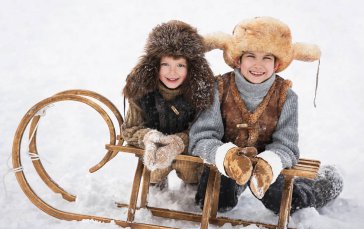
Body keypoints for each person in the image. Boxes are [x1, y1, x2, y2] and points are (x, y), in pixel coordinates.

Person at [189, 17, 343, 213]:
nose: (258, 65)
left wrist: (268, 165)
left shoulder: (285, 96)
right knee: (214, 202)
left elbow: (286, 145)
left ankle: (325, 182)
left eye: (267, 58)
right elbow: (201, 137)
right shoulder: (218, 89)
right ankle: (235, 184)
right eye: (251, 56)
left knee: (283, 203)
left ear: (276, 64)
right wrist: (227, 158)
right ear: (238, 59)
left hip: (266, 161)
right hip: (226, 163)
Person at [122, 20, 215, 188]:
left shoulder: (200, 90)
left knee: (190, 170)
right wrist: (149, 138)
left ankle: (191, 188)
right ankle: (156, 187)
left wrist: (179, 141)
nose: (172, 72)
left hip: (190, 153)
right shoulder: (141, 87)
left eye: (180, 65)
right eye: (165, 64)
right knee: (155, 172)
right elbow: (130, 128)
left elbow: (206, 128)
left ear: (191, 68)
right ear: (155, 65)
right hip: (154, 154)